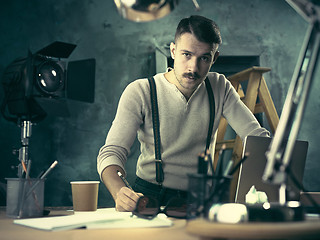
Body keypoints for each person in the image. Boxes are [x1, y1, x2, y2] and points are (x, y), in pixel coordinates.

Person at [97, 15, 270, 212]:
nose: (193, 68)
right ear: (173, 50)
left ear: (214, 58)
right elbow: (111, 152)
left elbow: (257, 139)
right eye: (186, 54)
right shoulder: (141, 91)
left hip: (200, 200)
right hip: (150, 197)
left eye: (204, 58)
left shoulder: (220, 87)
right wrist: (119, 191)